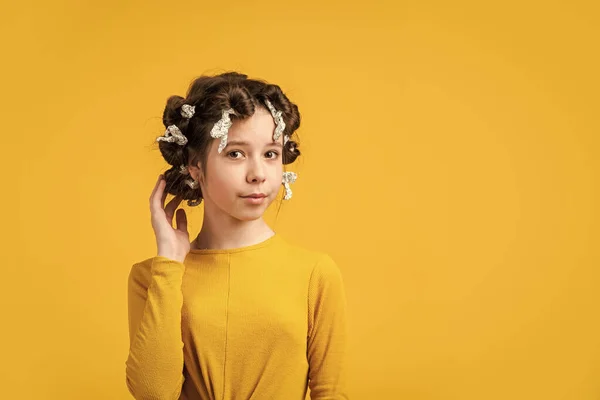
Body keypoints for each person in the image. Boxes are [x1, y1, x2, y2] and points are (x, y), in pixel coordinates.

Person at [124, 71, 349, 400]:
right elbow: (155, 393)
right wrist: (169, 264)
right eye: (235, 153)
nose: (258, 174)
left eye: (270, 153)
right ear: (194, 166)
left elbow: (332, 393)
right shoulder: (153, 277)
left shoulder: (315, 274)